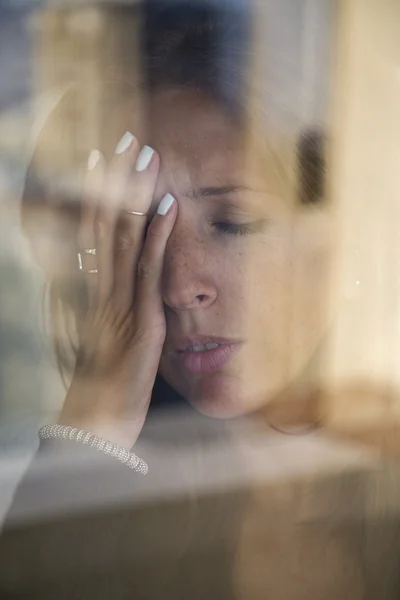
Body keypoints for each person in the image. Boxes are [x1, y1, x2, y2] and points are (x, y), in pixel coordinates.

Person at [1, 4, 400, 599]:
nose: (178, 283)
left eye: (235, 222)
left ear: (340, 237)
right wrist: (93, 425)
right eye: (138, 233)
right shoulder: (113, 500)